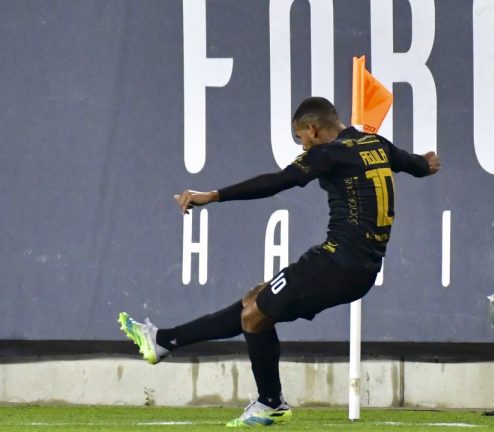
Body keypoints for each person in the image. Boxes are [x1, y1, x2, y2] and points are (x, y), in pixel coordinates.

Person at [118, 96, 440, 426]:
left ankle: (270, 402)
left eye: (301, 137)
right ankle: (163, 341)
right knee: (254, 301)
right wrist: (427, 162)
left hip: (338, 264)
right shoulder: (376, 144)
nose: (302, 145)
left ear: (313, 130)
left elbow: (276, 182)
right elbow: (419, 165)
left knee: (256, 316)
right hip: (356, 267)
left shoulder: (327, 153)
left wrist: (214, 195)